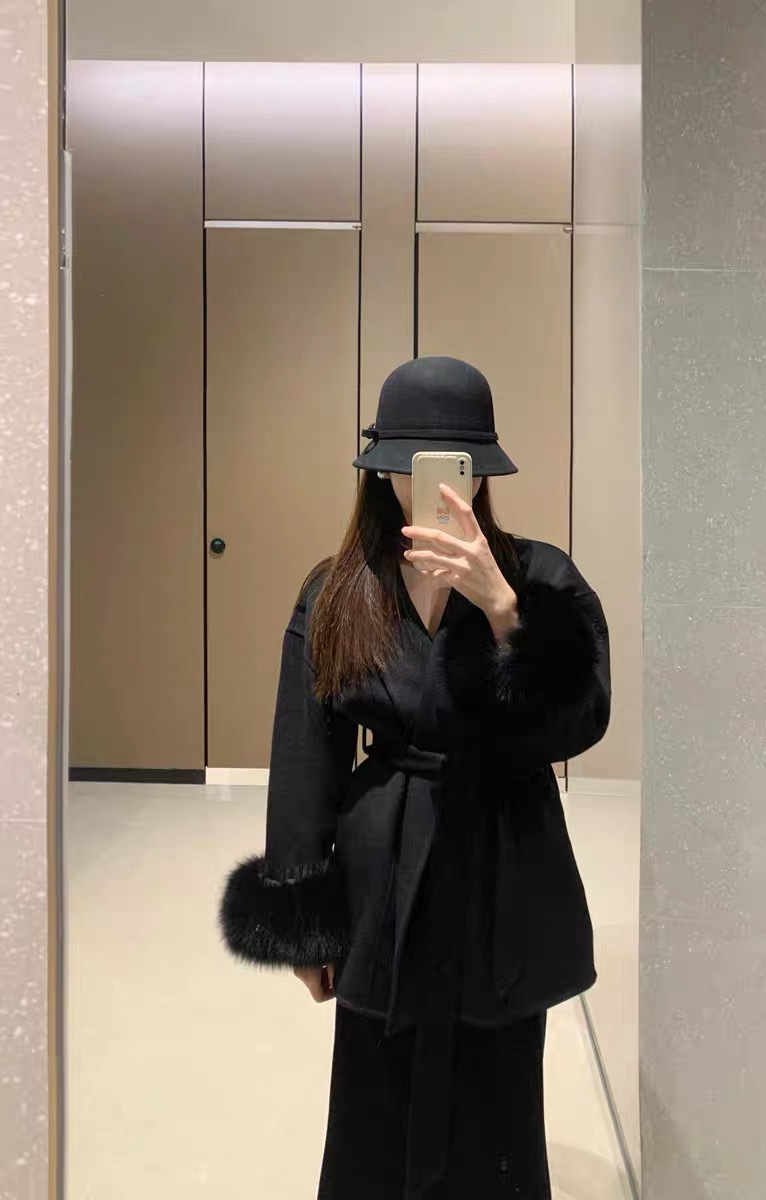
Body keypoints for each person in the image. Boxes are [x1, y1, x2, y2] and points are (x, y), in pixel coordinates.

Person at [219, 355, 611, 1200]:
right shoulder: (338, 590)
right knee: (373, 1089)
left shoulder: (540, 578)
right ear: (382, 469)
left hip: (503, 856)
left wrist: (504, 611)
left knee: (500, 1082)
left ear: (481, 473)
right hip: (381, 864)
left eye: (450, 466)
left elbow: (580, 724)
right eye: (408, 465)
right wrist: (302, 917)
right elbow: (307, 753)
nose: (425, 484)